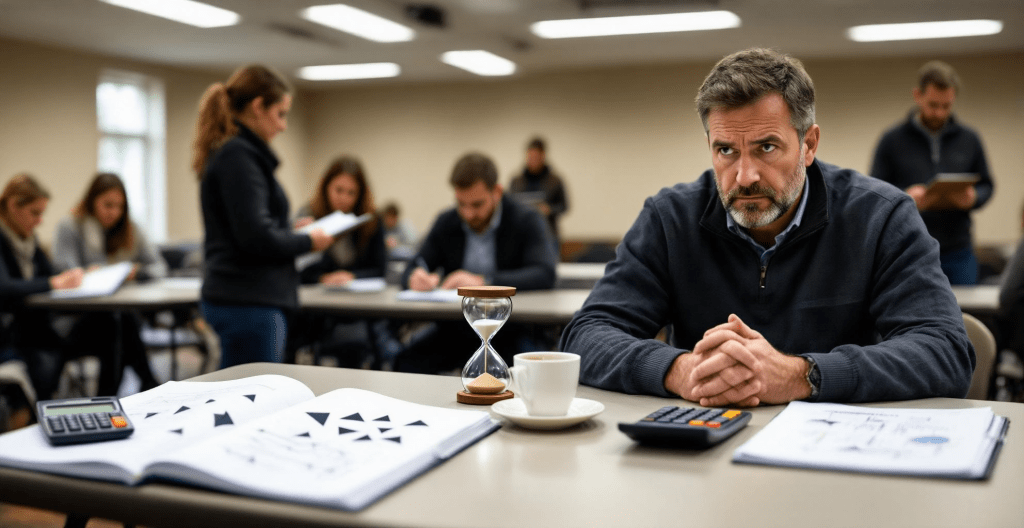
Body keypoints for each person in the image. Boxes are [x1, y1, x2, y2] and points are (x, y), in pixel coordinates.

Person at [560, 48, 974, 406]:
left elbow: (945, 351)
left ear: (809, 145)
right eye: (726, 150)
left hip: (833, 450)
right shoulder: (670, 218)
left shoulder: (880, 217)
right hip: (702, 446)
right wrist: (681, 369)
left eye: (767, 147)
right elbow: (586, 335)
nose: (744, 176)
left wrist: (801, 375)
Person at [192, 64, 333, 369]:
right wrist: (307, 241)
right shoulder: (239, 157)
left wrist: (288, 229)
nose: (283, 126)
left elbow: (249, 225)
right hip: (248, 300)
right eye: (280, 114)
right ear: (258, 107)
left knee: (242, 392)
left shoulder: (236, 154)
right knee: (249, 397)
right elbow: (255, 237)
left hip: (246, 297)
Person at [396, 153, 557, 373]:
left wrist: (482, 282)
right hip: (455, 329)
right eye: (461, 204)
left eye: (477, 204)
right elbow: (414, 266)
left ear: (497, 192)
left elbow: (544, 273)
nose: (468, 213)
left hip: (510, 329)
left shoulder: (526, 219)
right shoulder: (448, 221)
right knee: (405, 363)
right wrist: (415, 276)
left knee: (518, 374)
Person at [870, 60, 994, 285]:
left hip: (958, 250)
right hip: (908, 248)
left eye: (946, 106)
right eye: (933, 105)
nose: (939, 113)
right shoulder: (892, 140)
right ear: (918, 96)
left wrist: (974, 197)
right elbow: (875, 191)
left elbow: (987, 184)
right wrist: (905, 197)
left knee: (963, 315)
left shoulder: (969, 139)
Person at [53, 172, 167, 394]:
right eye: (107, 204)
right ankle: (145, 383)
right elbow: (62, 273)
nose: (114, 212)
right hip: (75, 319)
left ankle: (109, 400)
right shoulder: (70, 226)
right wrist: (86, 275)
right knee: (119, 323)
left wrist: (137, 272)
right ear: (91, 201)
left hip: (116, 318)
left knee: (119, 321)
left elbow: (159, 267)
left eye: (119, 206)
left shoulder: (130, 230)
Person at [291, 156, 389, 368]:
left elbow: (380, 269)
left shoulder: (371, 221)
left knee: (354, 342)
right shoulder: (309, 217)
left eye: (351, 192)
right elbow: (298, 271)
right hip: (317, 310)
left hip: (359, 310)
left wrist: (351, 277)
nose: (343, 198)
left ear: (360, 194)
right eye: (338, 190)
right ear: (326, 187)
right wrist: (323, 277)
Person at [0, 174, 84, 402]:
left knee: (110, 324)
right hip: (9, 334)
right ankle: (39, 412)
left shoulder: (28, 240)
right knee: (44, 354)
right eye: (35, 213)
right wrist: (52, 283)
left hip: (32, 326)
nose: (39, 221)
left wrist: (69, 277)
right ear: (12, 205)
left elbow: (49, 275)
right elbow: (5, 288)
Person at [509, 137, 568, 252]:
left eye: (536, 157)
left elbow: (564, 206)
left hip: (548, 234)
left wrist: (549, 209)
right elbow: (509, 205)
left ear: (543, 156)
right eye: (530, 157)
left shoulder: (555, 180)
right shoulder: (516, 181)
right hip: (521, 235)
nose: (532, 160)